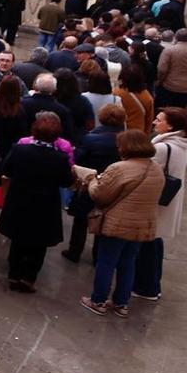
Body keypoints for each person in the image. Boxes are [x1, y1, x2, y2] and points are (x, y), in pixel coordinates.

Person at [81, 129, 164, 317]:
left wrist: (92, 179)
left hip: (117, 224)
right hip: (142, 225)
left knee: (107, 262)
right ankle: (121, 303)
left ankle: (98, 300)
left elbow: (99, 195)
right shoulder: (156, 168)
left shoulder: (119, 168)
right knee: (128, 263)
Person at [0, 113, 74, 292]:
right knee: (39, 245)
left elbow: (6, 170)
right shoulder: (60, 158)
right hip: (45, 205)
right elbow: (66, 182)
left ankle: (14, 274)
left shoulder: (19, 150)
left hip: (20, 199)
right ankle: (28, 278)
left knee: (17, 239)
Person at [138, 107, 187, 301]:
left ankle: (146, 287)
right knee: (155, 242)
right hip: (168, 201)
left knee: (147, 245)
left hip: (156, 203)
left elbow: (145, 173)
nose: (154, 122)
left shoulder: (162, 148)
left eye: (159, 120)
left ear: (170, 125)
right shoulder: (182, 144)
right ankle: (152, 285)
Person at [63, 102, 125, 263]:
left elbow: (78, 159)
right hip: (113, 185)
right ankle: (98, 255)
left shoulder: (91, 139)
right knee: (103, 218)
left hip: (89, 182)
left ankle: (74, 251)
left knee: (81, 220)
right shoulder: (125, 140)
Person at [154, 29, 187, 113]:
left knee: (161, 110)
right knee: (179, 112)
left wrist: (160, 81)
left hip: (168, 85)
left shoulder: (169, 50)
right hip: (186, 86)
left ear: (175, 37)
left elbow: (162, 69)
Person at [114, 62, 155, 134]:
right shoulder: (147, 96)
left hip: (121, 131)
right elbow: (149, 119)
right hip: (138, 132)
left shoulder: (117, 93)